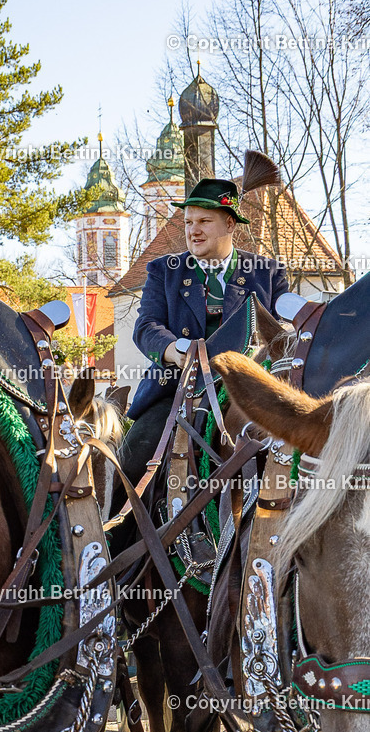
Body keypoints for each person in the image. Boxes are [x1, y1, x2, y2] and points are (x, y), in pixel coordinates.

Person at [116, 177, 289, 500]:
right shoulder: (163, 270)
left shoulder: (268, 272)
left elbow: (283, 334)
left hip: (251, 394)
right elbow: (146, 326)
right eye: (188, 222)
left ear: (229, 224)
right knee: (131, 463)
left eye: (204, 221)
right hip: (174, 392)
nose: (193, 230)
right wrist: (176, 350)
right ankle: (116, 543)